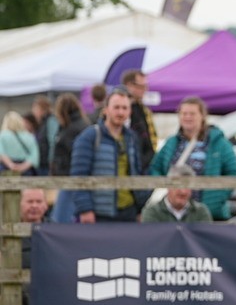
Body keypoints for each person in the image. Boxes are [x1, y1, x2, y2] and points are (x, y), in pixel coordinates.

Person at [149, 96, 236, 221]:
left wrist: (217, 198)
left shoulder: (219, 143)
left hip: (208, 212)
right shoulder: (171, 143)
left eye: (192, 114)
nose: (188, 117)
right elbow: (155, 168)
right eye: (184, 113)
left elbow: (233, 173)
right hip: (173, 213)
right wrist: (166, 189)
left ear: (202, 116)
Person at [71, 88, 148, 223]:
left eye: (125, 108)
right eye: (116, 107)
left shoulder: (132, 138)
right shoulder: (89, 137)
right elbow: (78, 176)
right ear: (106, 109)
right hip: (99, 213)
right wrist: (85, 209)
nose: (120, 112)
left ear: (130, 111)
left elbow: (137, 173)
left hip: (129, 212)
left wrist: (139, 208)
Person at [48, 94, 90, 224]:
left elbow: (73, 157)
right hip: (73, 180)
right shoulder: (82, 125)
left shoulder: (71, 130)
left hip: (70, 180)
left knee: (61, 220)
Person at [142, 166, 213, 223]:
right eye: (178, 186)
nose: (183, 192)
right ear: (168, 186)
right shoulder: (152, 212)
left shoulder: (201, 212)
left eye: (187, 186)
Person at [121, 69, 158, 174]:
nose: (145, 90)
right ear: (129, 85)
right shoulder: (121, 111)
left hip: (144, 168)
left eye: (146, 86)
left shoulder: (144, 110)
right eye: (141, 86)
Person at [19, 188, 47, 305]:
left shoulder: (58, 230)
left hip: (52, 282)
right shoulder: (6, 230)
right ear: (19, 204)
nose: (34, 205)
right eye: (30, 201)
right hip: (18, 283)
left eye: (39, 201)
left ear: (46, 205)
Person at [0, 111, 38, 175]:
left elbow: (1, 153)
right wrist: (23, 167)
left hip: (6, 169)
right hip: (26, 171)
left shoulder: (2, 136)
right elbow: (34, 156)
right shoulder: (30, 136)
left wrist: (11, 165)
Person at [30, 96, 57, 177]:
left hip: (46, 164)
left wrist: (51, 162)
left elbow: (53, 141)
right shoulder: (41, 124)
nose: (33, 111)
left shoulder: (51, 121)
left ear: (43, 109)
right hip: (41, 163)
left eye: (35, 109)